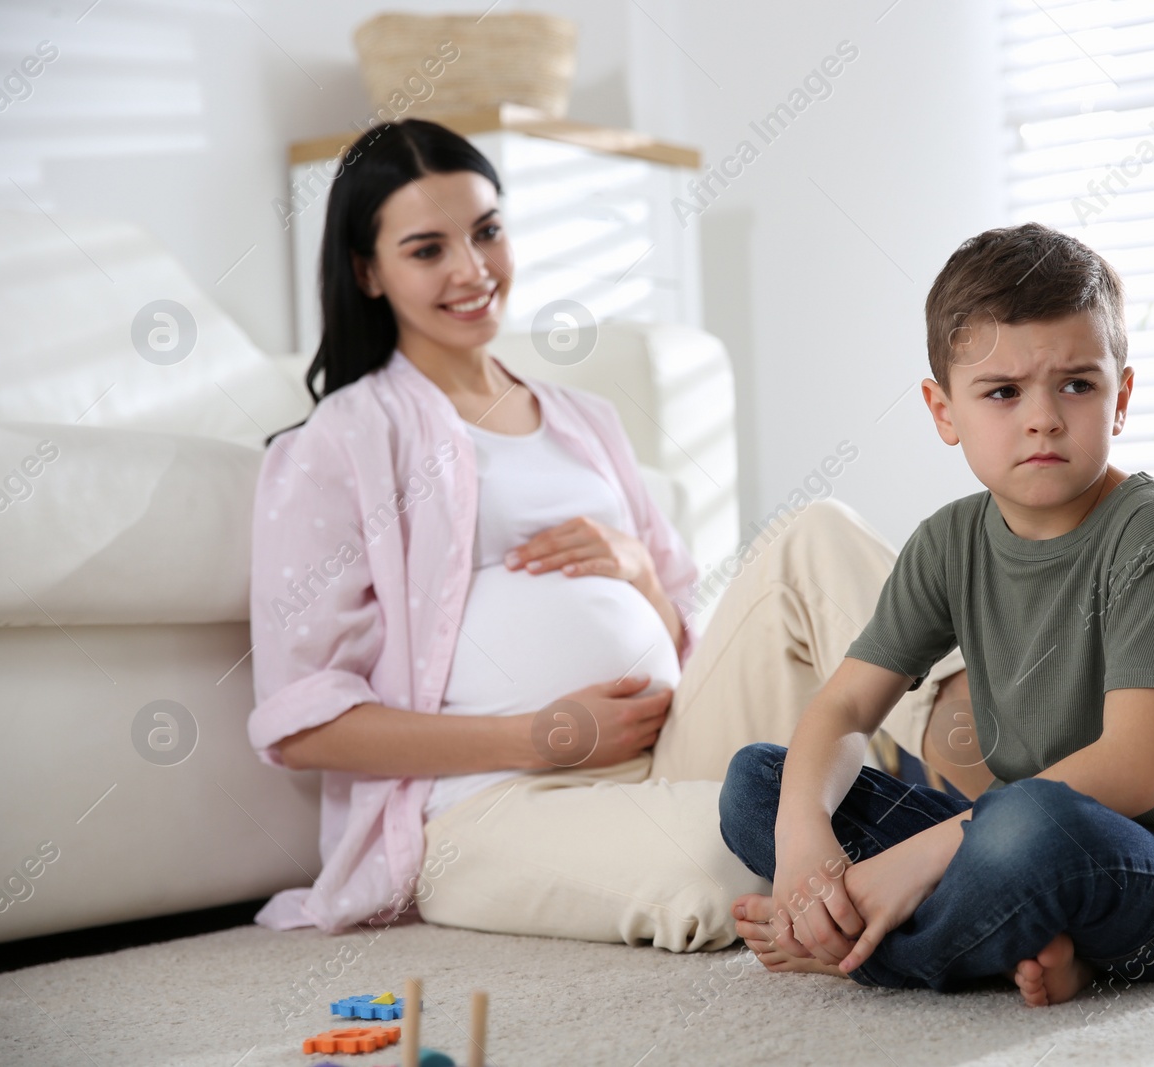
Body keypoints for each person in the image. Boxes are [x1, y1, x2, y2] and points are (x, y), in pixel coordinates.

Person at [245, 118, 971, 951]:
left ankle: (990, 772)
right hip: (490, 801)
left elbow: (685, 643)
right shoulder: (342, 439)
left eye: (487, 231)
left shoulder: (584, 420)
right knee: (723, 860)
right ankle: (966, 858)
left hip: (675, 743)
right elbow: (304, 722)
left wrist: (640, 576)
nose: (472, 269)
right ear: (367, 271)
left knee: (816, 533)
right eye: (427, 249)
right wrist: (541, 733)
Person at [718, 222, 1154, 1007]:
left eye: (1077, 385)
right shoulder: (949, 541)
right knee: (761, 782)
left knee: (1029, 827)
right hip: (1010, 842)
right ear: (944, 410)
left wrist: (913, 863)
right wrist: (802, 847)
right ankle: (1022, 940)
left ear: (1120, 397)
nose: (1043, 417)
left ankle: (861, 947)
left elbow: (1132, 768)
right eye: (1003, 392)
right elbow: (846, 706)